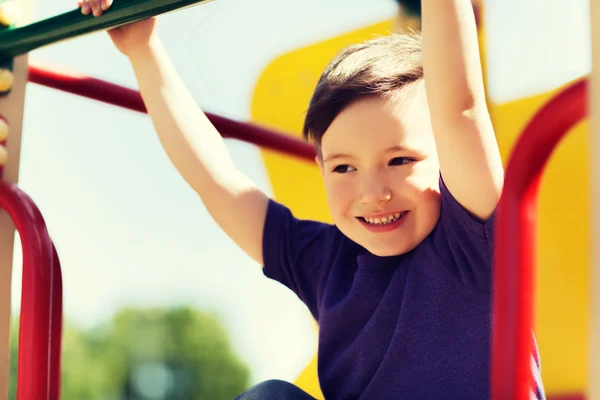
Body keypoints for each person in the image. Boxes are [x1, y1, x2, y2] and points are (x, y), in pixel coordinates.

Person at [78, 0, 546, 398]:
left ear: (445, 157)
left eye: (400, 160)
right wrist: (142, 51)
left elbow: (460, 107)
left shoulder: (472, 236)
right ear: (321, 167)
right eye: (345, 168)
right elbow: (214, 179)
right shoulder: (326, 264)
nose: (373, 192)